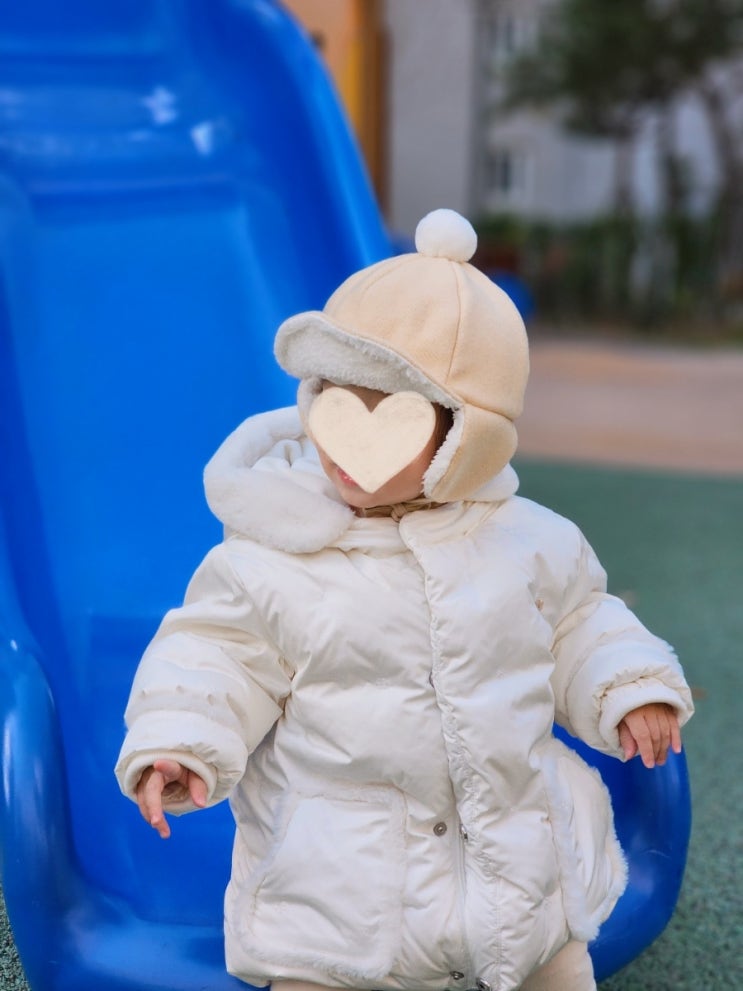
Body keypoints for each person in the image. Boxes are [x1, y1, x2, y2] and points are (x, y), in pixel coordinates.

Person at [115, 209, 694, 991]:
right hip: (339, 909)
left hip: (515, 888)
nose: (346, 443)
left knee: (553, 964)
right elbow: (214, 656)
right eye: (333, 401)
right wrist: (181, 741)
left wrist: (627, 684)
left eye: (392, 415)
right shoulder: (272, 554)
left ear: (463, 438)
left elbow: (579, 623)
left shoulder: (529, 541)